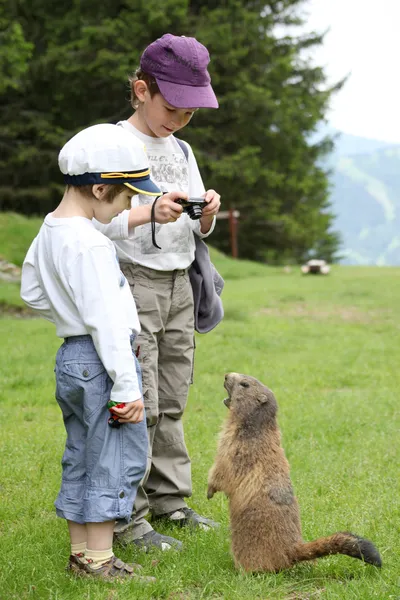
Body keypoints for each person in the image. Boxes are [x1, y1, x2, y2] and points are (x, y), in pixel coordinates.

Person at [20, 123, 189, 580]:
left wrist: (66, 312)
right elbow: (110, 327)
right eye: (127, 197)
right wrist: (127, 387)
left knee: (81, 454)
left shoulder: (53, 229)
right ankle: (99, 560)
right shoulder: (92, 244)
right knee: (111, 460)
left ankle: (81, 554)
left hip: (71, 360)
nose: (130, 207)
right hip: (103, 363)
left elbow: (32, 290)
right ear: (99, 189)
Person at [94, 33, 222, 552]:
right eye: (172, 108)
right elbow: (94, 220)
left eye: (191, 112)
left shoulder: (182, 148)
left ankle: (170, 500)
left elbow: (194, 224)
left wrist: (204, 214)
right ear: (141, 90)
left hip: (179, 283)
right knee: (136, 396)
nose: (180, 120)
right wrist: (150, 211)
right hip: (134, 282)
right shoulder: (113, 144)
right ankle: (127, 516)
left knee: (171, 396)